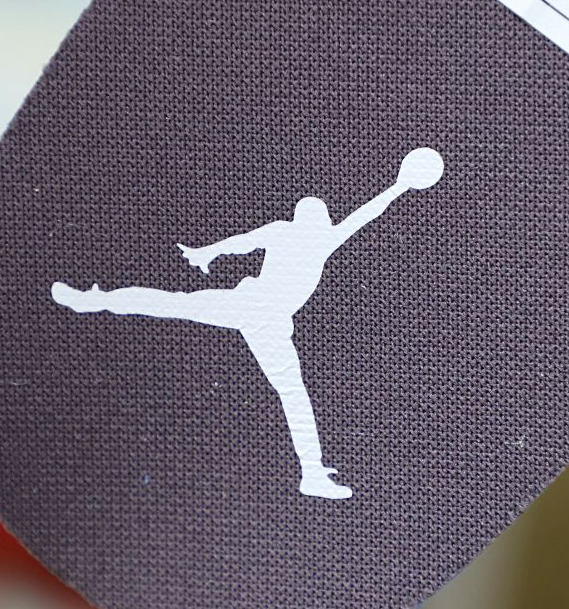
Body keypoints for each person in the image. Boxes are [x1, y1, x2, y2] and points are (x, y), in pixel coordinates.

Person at [52, 148, 444, 499]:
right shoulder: (305, 235)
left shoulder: (312, 237)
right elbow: (252, 238)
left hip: (262, 317)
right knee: (283, 386)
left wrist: (399, 186)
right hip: (254, 309)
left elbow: (250, 239)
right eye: (315, 214)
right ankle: (92, 300)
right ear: (307, 218)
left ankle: (312, 473)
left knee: (177, 308)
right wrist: (398, 186)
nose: (319, 218)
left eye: (319, 215)